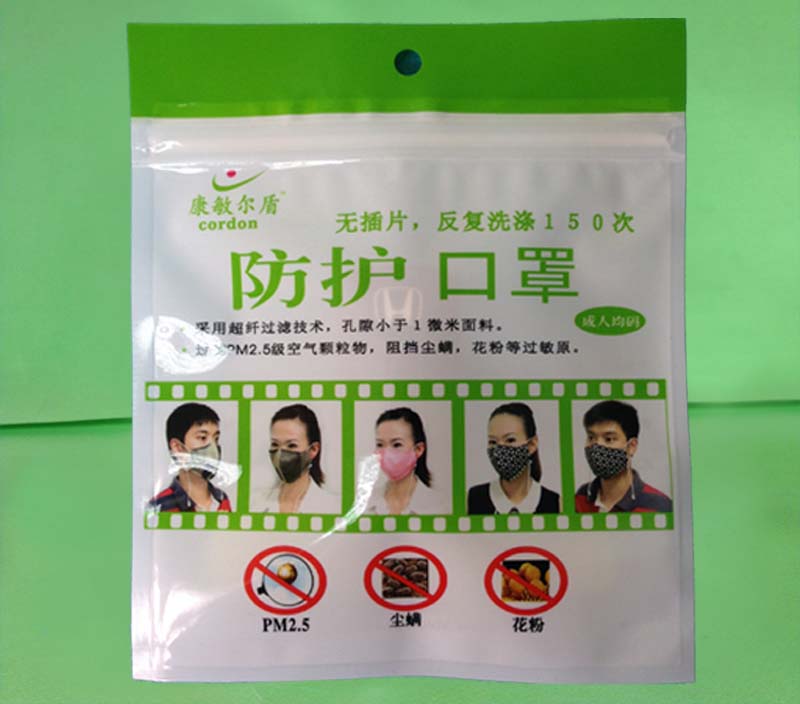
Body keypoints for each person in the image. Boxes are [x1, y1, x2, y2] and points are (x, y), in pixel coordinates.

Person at [575, 400, 673, 513]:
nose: (597, 446)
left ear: (631, 446)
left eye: (609, 439)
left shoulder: (659, 506)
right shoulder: (581, 496)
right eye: (591, 437)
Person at [468, 403, 560, 514]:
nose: (499, 449)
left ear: (531, 444)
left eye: (510, 440)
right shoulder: (472, 499)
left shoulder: (556, 504)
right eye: (493, 442)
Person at [149, 403, 232, 512]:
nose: (213, 448)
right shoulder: (161, 505)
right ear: (178, 448)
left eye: (216, 439)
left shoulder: (222, 499)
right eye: (202, 438)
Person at [263, 404, 339, 513]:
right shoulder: (255, 502)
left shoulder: (332, 506)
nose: (280, 454)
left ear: (313, 449)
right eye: (275, 444)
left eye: (291, 445)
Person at [366, 407, 441, 515]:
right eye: (380, 444)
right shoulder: (366, 502)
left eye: (397, 444)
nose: (387, 453)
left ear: (418, 449)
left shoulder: (439, 506)